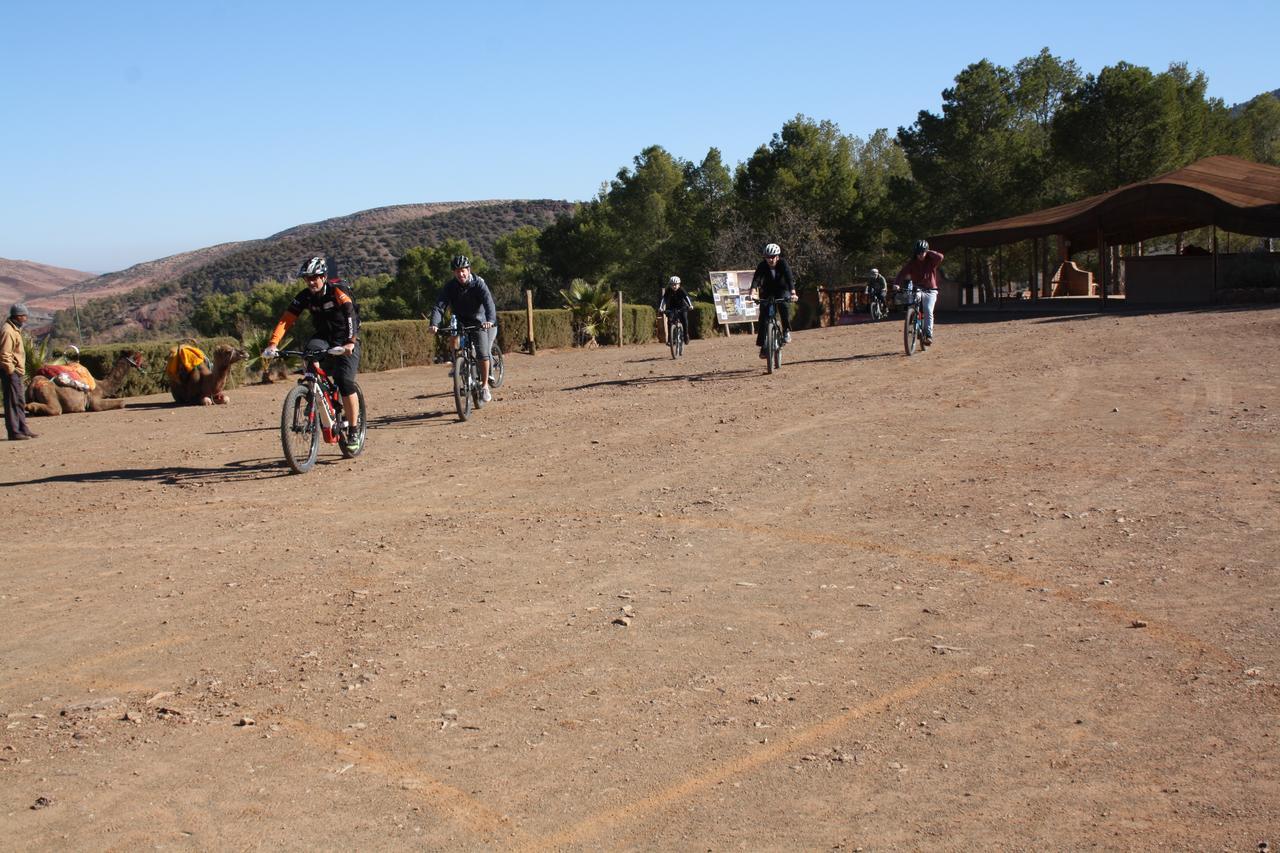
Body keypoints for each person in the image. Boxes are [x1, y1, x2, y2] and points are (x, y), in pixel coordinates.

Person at [262, 257, 362, 450]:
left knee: (344, 381)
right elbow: (286, 320)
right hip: (323, 337)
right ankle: (312, 392)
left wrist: (350, 342)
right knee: (309, 354)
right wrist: (273, 344)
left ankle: (354, 430)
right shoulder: (304, 296)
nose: (310, 282)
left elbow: (350, 313)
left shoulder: (337, 291)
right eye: (307, 278)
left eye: (314, 277)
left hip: (346, 337)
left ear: (324, 277)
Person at [429, 255, 497, 402]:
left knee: (482, 354)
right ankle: (457, 363)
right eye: (457, 271)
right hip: (459, 319)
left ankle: (485, 386)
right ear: (454, 273)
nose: (461, 274)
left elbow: (489, 303)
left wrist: (490, 321)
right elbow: (439, 306)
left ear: (469, 270)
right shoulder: (450, 286)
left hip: (479, 321)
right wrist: (434, 323)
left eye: (463, 270)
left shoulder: (478, 284)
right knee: (453, 333)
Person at [747, 243, 797, 358]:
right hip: (768, 291)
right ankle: (763, 346)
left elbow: (789, 278)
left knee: (784, 306)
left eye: (772, 257)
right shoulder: (762, 265)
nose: (770, 259)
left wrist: (793, 292)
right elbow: (756, 279)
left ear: (777, 256)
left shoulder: (783, 264)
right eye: (767, 257)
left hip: (782, 289)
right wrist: (752, 292)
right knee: (763, 316)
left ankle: (786, 331)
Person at [893, 240, 945, 346]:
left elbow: (940, 257)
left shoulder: (931, 262)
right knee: (914, 301)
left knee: (928, 310)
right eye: (918, 252)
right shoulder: (912, 263)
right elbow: (902, 273)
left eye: (923, 252)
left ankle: (928, 335)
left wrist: (928, 251)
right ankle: (913, 319)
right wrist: (897, 284)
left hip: (931, 290)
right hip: (918, 288)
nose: (921, 255)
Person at [1, 303, 36, 440]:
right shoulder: (8, 331)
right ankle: (14, 431)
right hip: (11, 372)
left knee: (19, 401)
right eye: (24, 316)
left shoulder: (14, 329)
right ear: (17, 316)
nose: (25, 319)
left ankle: (23, 428)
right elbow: (5, 354)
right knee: (12, 402)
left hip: (16, 372)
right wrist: (11, 371)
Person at [658, 276, 693, 346]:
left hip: (682, 307)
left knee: (684, 319)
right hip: (672, 308)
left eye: (675, 284)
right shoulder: (668, 290)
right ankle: (670, 340)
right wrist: (661, 307)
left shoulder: (681, 290)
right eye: (672, 284)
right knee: (670, 321)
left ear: (679, 284)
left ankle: (686, 335)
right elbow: (664, 300)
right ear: (670, 285)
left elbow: (686, 298)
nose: (674, 286)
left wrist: (690, 305)